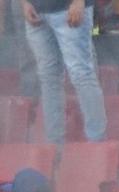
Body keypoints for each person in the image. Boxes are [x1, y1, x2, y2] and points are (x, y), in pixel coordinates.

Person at [21, 0, 106, 144]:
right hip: (37, 10)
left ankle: (97, 141)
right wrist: (24, 3)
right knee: (49, 77)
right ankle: (54, 144)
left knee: (81, 74)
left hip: (67, 8)